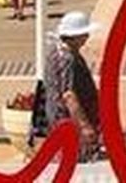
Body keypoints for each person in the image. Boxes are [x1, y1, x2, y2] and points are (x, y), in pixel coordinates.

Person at [42, 11, 102, 163]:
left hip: (60, 119)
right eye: (84, 34)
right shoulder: (67, 58)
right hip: (69, 121)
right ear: (74, 37)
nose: (87, 37)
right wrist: (85, 126)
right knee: (76, 161)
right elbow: (69, 95)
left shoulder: (57, 52)